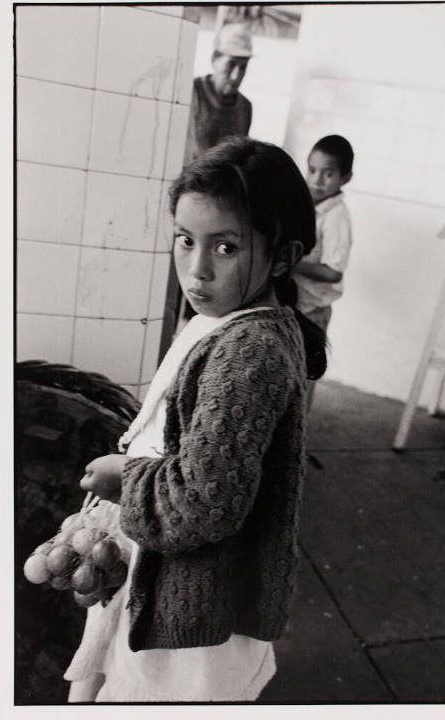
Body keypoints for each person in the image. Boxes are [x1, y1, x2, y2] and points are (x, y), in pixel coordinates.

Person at [64, 136, 327, 703]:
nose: (197, 269)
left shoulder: (250, 350)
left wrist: (123, 478)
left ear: (282, 255)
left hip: (193, 617)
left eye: (226, 248)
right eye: (185, 241)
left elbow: (203, 501)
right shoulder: (224, 320)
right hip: (165, 575)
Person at [292, 134, 354, 411]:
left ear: (346, 178)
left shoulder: (337, 217)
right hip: (297, 305)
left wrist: (291, 262)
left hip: (314, 311)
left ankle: (296, 442)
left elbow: (333, 272)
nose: (317, 180)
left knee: (303, 376)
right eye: (312, 170)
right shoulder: (308, 206)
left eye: (328, 174)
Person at [183, 23, 253, 167]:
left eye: (243, 67)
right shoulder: (192, 92)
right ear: (215, 58)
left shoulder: (245, 108)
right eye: (231, 64)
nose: (235, 76)